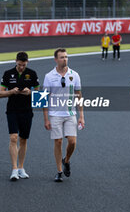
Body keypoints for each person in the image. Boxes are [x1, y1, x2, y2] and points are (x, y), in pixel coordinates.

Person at [43, 48, 85, 182]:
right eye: (62, 57)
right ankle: (59, 170)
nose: (65, 59)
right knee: (58, 141)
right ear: (56, 59)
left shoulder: (75, 75)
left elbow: (79, 96)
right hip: (55, 114)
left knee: (72, 142)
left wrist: (82, 115)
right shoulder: (49, 76)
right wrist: (46, 119)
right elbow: (43, 98)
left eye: (66, 57)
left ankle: (66, 160)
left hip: (70, 113)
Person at [0, 52, 40, 181]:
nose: (21, 67)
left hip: (27, 111)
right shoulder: (7, 73)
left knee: (23, 139)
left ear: (27, 62)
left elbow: (40, 95)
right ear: (15, 61)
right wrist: (11, 92)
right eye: (19, 64)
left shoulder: (32, 74)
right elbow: (0, 93)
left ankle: (21, 168)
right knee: (13, 137)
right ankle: (14, 169)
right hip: (12, 110)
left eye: (23, 65)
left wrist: (30, 92)